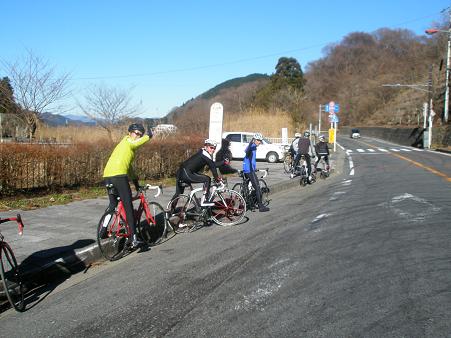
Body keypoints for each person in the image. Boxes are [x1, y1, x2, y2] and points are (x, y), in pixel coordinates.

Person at [101, 123, 152, 248]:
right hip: (118, 176)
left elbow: (129, 168)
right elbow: (134, 143)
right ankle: (133, 238)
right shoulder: (128, 141)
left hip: (108, 176)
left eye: (140, 134)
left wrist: (136, 183)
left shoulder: (126, 147)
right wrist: (148, 136)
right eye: (136, 133)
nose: (138, 136)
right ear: (129, 133)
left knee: (113, 204)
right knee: (128, 205)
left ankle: (103, 230)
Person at [172, 139, 222, 208]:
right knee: (207, 179)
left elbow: (213, 164)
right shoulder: (205, 155)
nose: (213, 150)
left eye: (214, 148)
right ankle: (204, 200)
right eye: (211, 147)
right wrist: (217, 178)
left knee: (178, 193)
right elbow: (213, 167)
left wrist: (223, 162)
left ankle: (170, 212)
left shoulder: (203, 152)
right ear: (206, 147)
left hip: (181, 172)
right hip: (186, 173)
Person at [243, 133, 270, 212]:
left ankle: (249, 203)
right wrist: (251, 146)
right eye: (258, 140)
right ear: (254, 140)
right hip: (249, 170)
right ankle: (261, 206)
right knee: (258, 188)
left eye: (260, 141)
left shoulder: (252, 146)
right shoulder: (252, 146)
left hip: (246, 169)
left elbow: (249, 158)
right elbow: (247, 152)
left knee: (247, 186)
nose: (259, 142)